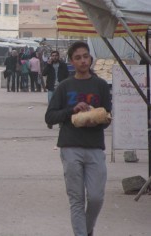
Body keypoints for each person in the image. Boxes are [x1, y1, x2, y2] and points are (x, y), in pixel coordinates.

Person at [45, 41, 111, 236]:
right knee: (76, 199)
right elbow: (50, 117)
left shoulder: (100, 85)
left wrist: (96, 120)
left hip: (95, 148)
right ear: (72, 62)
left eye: (86, 56)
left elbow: (108, 116)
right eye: (78, 57)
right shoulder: (65, 86)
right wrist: (71, 111)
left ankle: (87, 229)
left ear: (90, 58)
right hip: (70, 146)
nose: (83, 60)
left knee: (96, 197)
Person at [42, 50, 69, 128]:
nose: (54, 57)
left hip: (61, 88)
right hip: (51, 87)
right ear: (51, 57)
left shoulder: (63, 65)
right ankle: (50, 122)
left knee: (61, 105)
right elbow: (44, 73)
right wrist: (48, 65)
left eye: (56, 55)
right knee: (51, 105)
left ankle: (60, 121)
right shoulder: (49, 65)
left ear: (58, 56)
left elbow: (66, 75)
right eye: (53, 56)